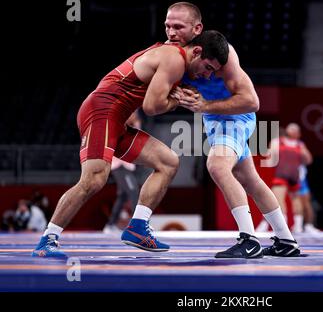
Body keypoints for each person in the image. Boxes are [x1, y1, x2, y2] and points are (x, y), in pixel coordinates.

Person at [31, 30, 230, 257]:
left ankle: (137, 227)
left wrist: (179, 94)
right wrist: (176, 99)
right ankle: (48, 239)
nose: (206, 75)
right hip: (103, 111)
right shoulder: (174, 58)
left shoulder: (176, 59)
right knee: (94, 179)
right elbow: (151, 108)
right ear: (196, 51)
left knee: (168, 161)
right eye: (208, 68)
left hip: (117, 119)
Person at [167, 2, 301, 258]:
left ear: (196, 28)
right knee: (251, 180)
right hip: (212, 119)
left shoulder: (222, 53)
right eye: (168, 26)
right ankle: (286, 241)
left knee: (217, 166)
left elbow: (252, 101)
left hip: (236, 117)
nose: (171, 32)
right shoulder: (169, 54)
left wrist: (205, 104)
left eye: (178, 27)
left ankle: (249, 240)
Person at [256, 123, 312, 233]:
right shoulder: (278, 142)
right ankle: (289, 226)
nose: (293, 131)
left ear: (299, 134)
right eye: (291, 129)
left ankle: (296, 226)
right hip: (284, 175)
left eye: (295, 130)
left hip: (291, 176)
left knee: (292, 201)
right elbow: (270, 159)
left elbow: (308, 160)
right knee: (280, 199)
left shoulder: (300, 145)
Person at [103, 111, 141, 234]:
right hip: (120, 166)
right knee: (133, 191)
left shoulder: (134, 126)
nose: (134, 115)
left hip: (127, 166)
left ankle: (110, 225)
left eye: (136, 113)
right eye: (132, 113)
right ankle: (139, 224)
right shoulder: (119, 126)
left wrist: (136, 124)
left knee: (122, 196)